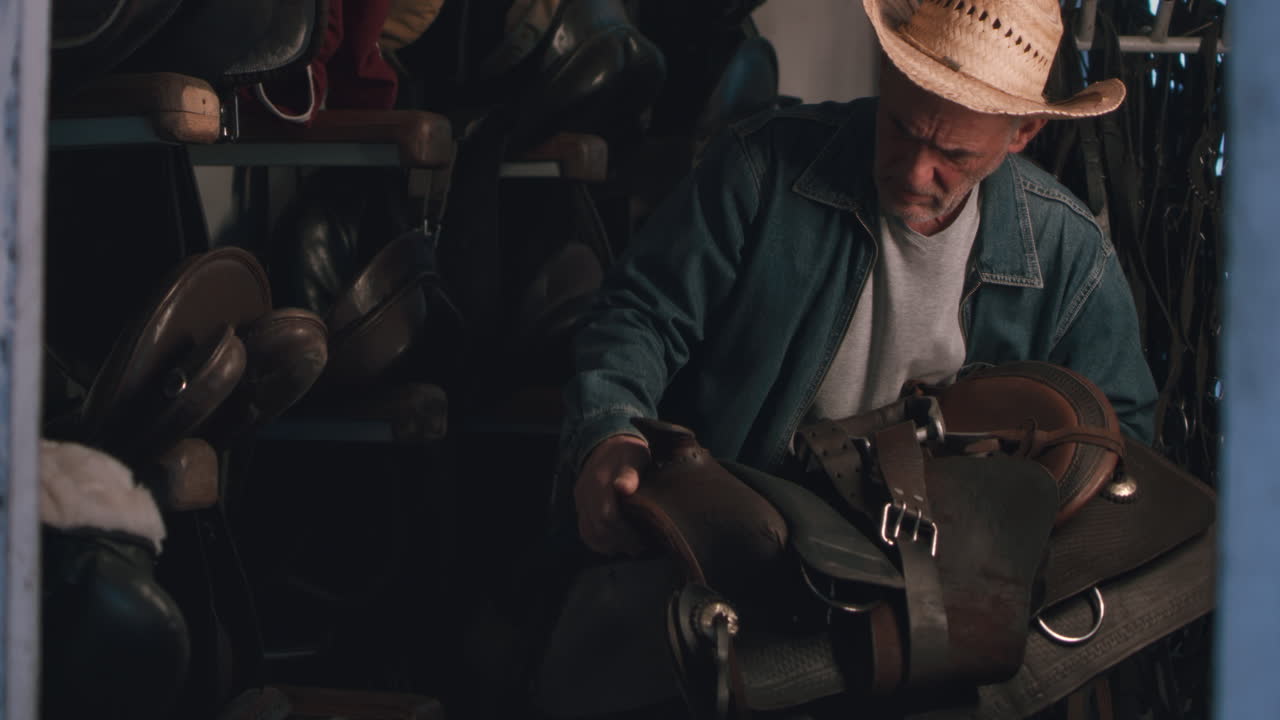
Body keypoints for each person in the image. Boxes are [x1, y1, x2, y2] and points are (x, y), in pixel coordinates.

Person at [561, 0, 1158, 556]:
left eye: (954, 156)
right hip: (746, 529)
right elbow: (638, 314)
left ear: (1021, 134)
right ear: (886, 72)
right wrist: (611, 431)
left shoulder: (1069, 253)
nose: (917, 172)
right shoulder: (757, 170)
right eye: (902, 129)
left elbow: (1121, 436)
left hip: (957, 560)